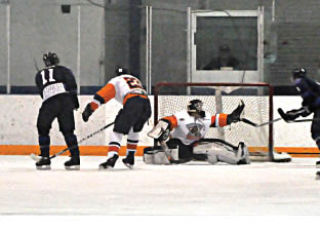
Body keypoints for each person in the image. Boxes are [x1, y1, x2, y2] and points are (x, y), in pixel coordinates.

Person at [82, 66, 151, 169]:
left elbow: (101, 96)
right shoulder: (135, 80)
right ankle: (130, 158)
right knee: (134, 129)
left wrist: (90, 109)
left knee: (117, 131)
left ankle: (112, 157)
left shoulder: (116, 80)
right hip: (146, 104)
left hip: (132, 103)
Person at [144, 99, 250, 165]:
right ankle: (238, 158)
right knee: (212, 147)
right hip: (179, 147)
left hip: (193, 147)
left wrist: (232, 117)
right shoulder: (181, 116)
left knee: (215, 144)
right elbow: (167, 120)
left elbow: (219, 119)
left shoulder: (206, 117)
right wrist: (162, 129)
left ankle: (237, 153)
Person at [35, 52, 80, 170]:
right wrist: (74, 102)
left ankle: (45, 157)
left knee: (42, 128)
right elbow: (72, 85)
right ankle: (75, 158)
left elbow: (42, 92)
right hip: (65, 100)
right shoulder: (64, 70)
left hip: (49, 101)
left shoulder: (39, 74)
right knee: (68, 130)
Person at [278, 68, 320, 177]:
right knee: (316, 132)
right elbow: (311, 104)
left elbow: (311, 102)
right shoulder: (310, 83)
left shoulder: (301, 82)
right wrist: (296, 113)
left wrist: (298, 113)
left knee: (317, 132)